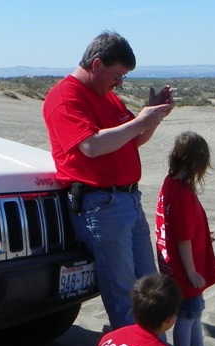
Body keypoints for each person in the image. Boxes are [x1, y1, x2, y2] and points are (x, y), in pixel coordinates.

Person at [44, 31, 174, 329]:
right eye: (118, 74)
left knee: (150, 291)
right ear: (97, 64)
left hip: (127, 200)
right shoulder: (65, 97)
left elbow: (133, 139)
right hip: (101, 205)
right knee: (126, 294)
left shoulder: (108, 97)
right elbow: (90, 146)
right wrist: (142, 120)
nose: (120, 82)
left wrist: (152, 117)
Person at [156, 131, 215, 346]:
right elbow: (182, 239)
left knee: (194, 313)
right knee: (187, 315)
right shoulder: (182, 193)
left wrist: (202, 236)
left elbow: (181, 229)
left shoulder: (170, 183)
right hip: (185, 269)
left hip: (175, 265)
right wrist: (191, 272)